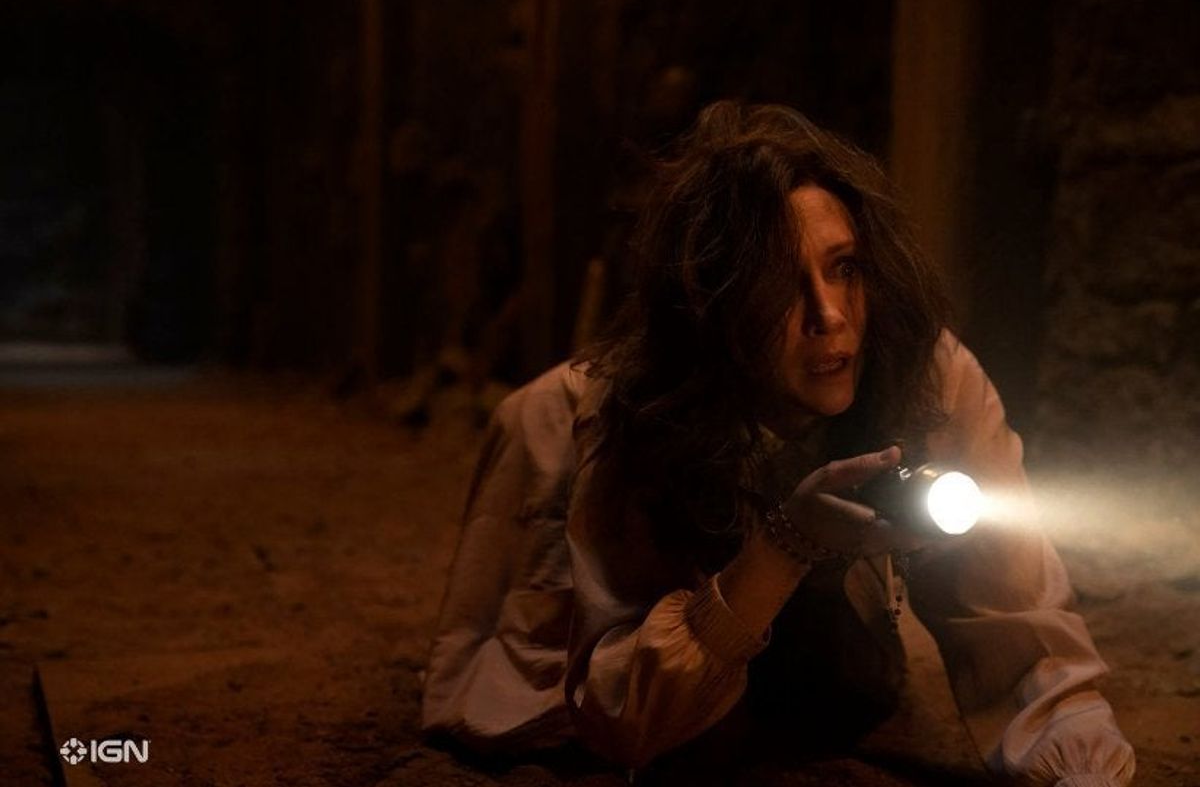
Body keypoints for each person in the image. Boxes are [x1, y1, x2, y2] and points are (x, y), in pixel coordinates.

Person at [421, 101, 1136, 786]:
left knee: (843, 682)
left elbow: (1019, 620)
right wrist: (787, 542)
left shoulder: (927, 374)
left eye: (844, 268)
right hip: (598, 446)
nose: (829, 316)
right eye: (779, 285)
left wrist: (1083, 773)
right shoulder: (623, 414)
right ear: (717, 302)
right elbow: (622, 715)